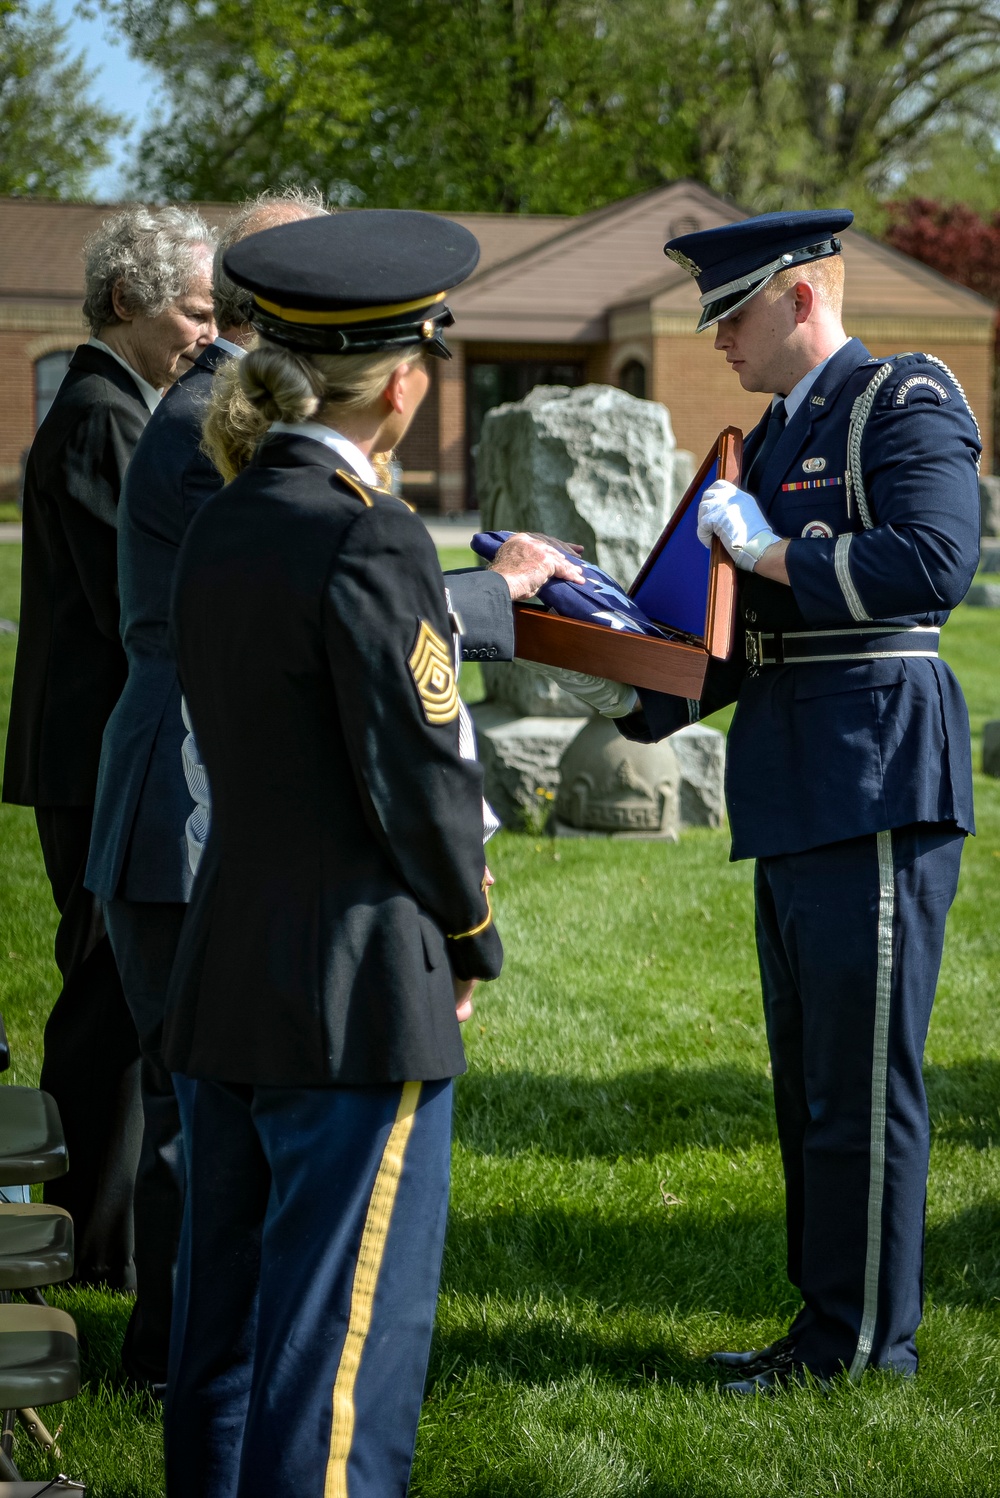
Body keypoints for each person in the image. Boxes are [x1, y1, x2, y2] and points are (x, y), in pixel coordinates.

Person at [162, 209, 508, 1497]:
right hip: (355, 995)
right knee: (340, 1372)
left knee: (231, 1346)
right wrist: (471, 936)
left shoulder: (227, 517)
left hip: (228, 971)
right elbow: (417, 782)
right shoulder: (367, 534)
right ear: (405, 384)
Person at [614, 210, 980, 1391]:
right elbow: (738, 636)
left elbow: (935, 562)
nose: (715, 338)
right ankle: (828, 1325)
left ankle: (868, 1342)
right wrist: (617, 666)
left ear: (800, 301)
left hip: (872, 772)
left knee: (864, 1081)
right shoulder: (772, 440)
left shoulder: (899, 398)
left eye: (730, 315)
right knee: (813, 1078)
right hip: (796, 777)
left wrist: (767, 552)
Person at [83, 189, 329, 1392]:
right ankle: (178, 1366)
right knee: (193, 1114)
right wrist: (496, 607)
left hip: (195, 804)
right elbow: (318, 589)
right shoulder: (212, 420)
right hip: (176, 815)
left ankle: (190, 1358)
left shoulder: (232, 405)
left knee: (207, 1107)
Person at [1, 207, 216, 1289]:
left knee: (115, 1005)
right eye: (193, 309)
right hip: (94, 759)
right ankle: (86, 1247)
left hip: (92, 750)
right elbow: (135, 599)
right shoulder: (101, 417)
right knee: (101, 1008)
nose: (208, 334)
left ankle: (94, 1239)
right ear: (125, 303)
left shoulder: (124, 405)